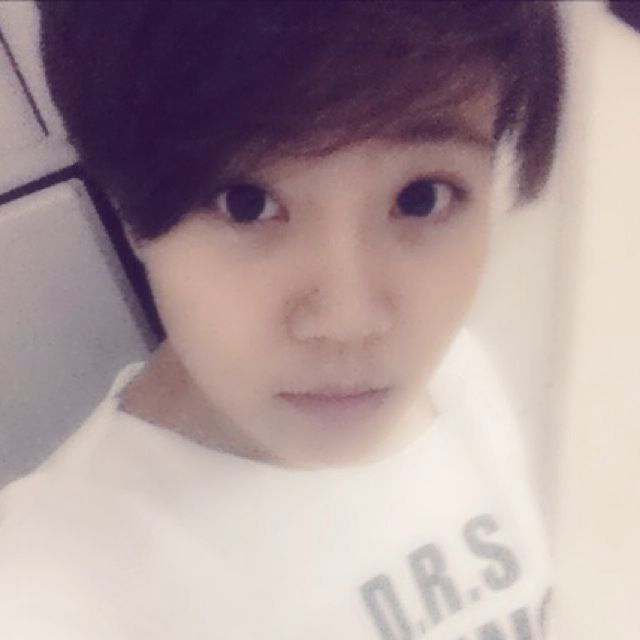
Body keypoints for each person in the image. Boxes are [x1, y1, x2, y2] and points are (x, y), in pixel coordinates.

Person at [0, 2, 563, 638]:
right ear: (130, 209)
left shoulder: (463, 374)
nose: (348, 321)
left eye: (420, 197)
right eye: (246, 204)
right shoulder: (56, 583)